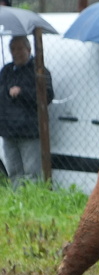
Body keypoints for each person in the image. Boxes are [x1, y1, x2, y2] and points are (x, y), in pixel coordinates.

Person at [0, 35, 53, 187]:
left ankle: (33, 202)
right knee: (14, 172)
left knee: (31, 172)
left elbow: (47, 96)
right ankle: (19, 203)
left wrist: (22, 92)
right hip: (8, 131)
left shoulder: (39, 70)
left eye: (20, 49)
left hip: (28, 131)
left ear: (29, 50)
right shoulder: (6, 71)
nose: (16, 53)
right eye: (13, 49)